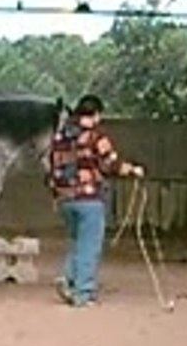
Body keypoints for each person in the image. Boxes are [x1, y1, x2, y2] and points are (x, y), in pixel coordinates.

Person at [48, 93, 146, 307]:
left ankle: (68, 278)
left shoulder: (60, 137)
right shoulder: (95, 136)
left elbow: (52, 166)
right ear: (95, 114)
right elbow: (110, 163)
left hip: (65, 199)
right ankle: (83, 293)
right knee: (90, 246)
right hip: (89, 198)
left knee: (77, 241)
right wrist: (132, 170)